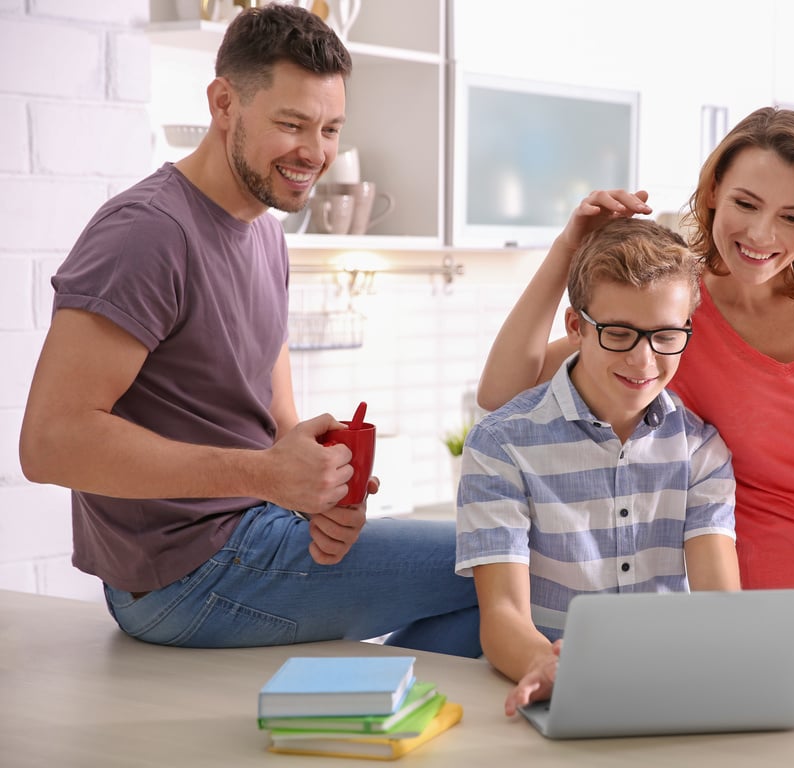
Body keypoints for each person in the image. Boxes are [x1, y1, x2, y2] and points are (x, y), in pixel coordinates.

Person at [17, 5, 479, 655]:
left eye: (329, 129)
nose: (314, 152)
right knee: (500, 563)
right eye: (291, 124)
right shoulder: (147, 232)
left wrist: (318, 492)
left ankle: (372, 710)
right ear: (222, 102)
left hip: (251, 535)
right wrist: (267, 477)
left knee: (501, 589)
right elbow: (50, 444)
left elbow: (275, 417)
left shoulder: (264, 229)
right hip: (185, 575)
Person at [474, 107, 794, 731]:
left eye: (792, 217)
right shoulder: (679, 313)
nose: (761, 232)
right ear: (713, 192)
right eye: (746, 204)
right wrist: (569, 248)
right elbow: (502, 390)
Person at [456, 218, 740, 715]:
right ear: (576, 328)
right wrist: (546, 667)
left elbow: (722, 606)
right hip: (556, 691)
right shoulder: (501, 444)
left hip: (670, 689)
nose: (643, 359)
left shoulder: (701, 450)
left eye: (665, 336)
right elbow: (502, 616)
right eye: (620, 334)